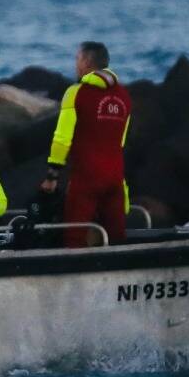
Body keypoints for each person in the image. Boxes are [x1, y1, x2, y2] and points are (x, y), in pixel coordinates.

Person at [39, 40, 133, 247]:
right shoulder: (124, 96)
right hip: (115, 179)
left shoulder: (76, 93)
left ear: (87, 63)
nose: (76, 65)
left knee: (74, 238)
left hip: (86, 179)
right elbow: (121, 141)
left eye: (77, 59)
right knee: (117, 237)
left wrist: (52, 176)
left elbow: (62, 138)